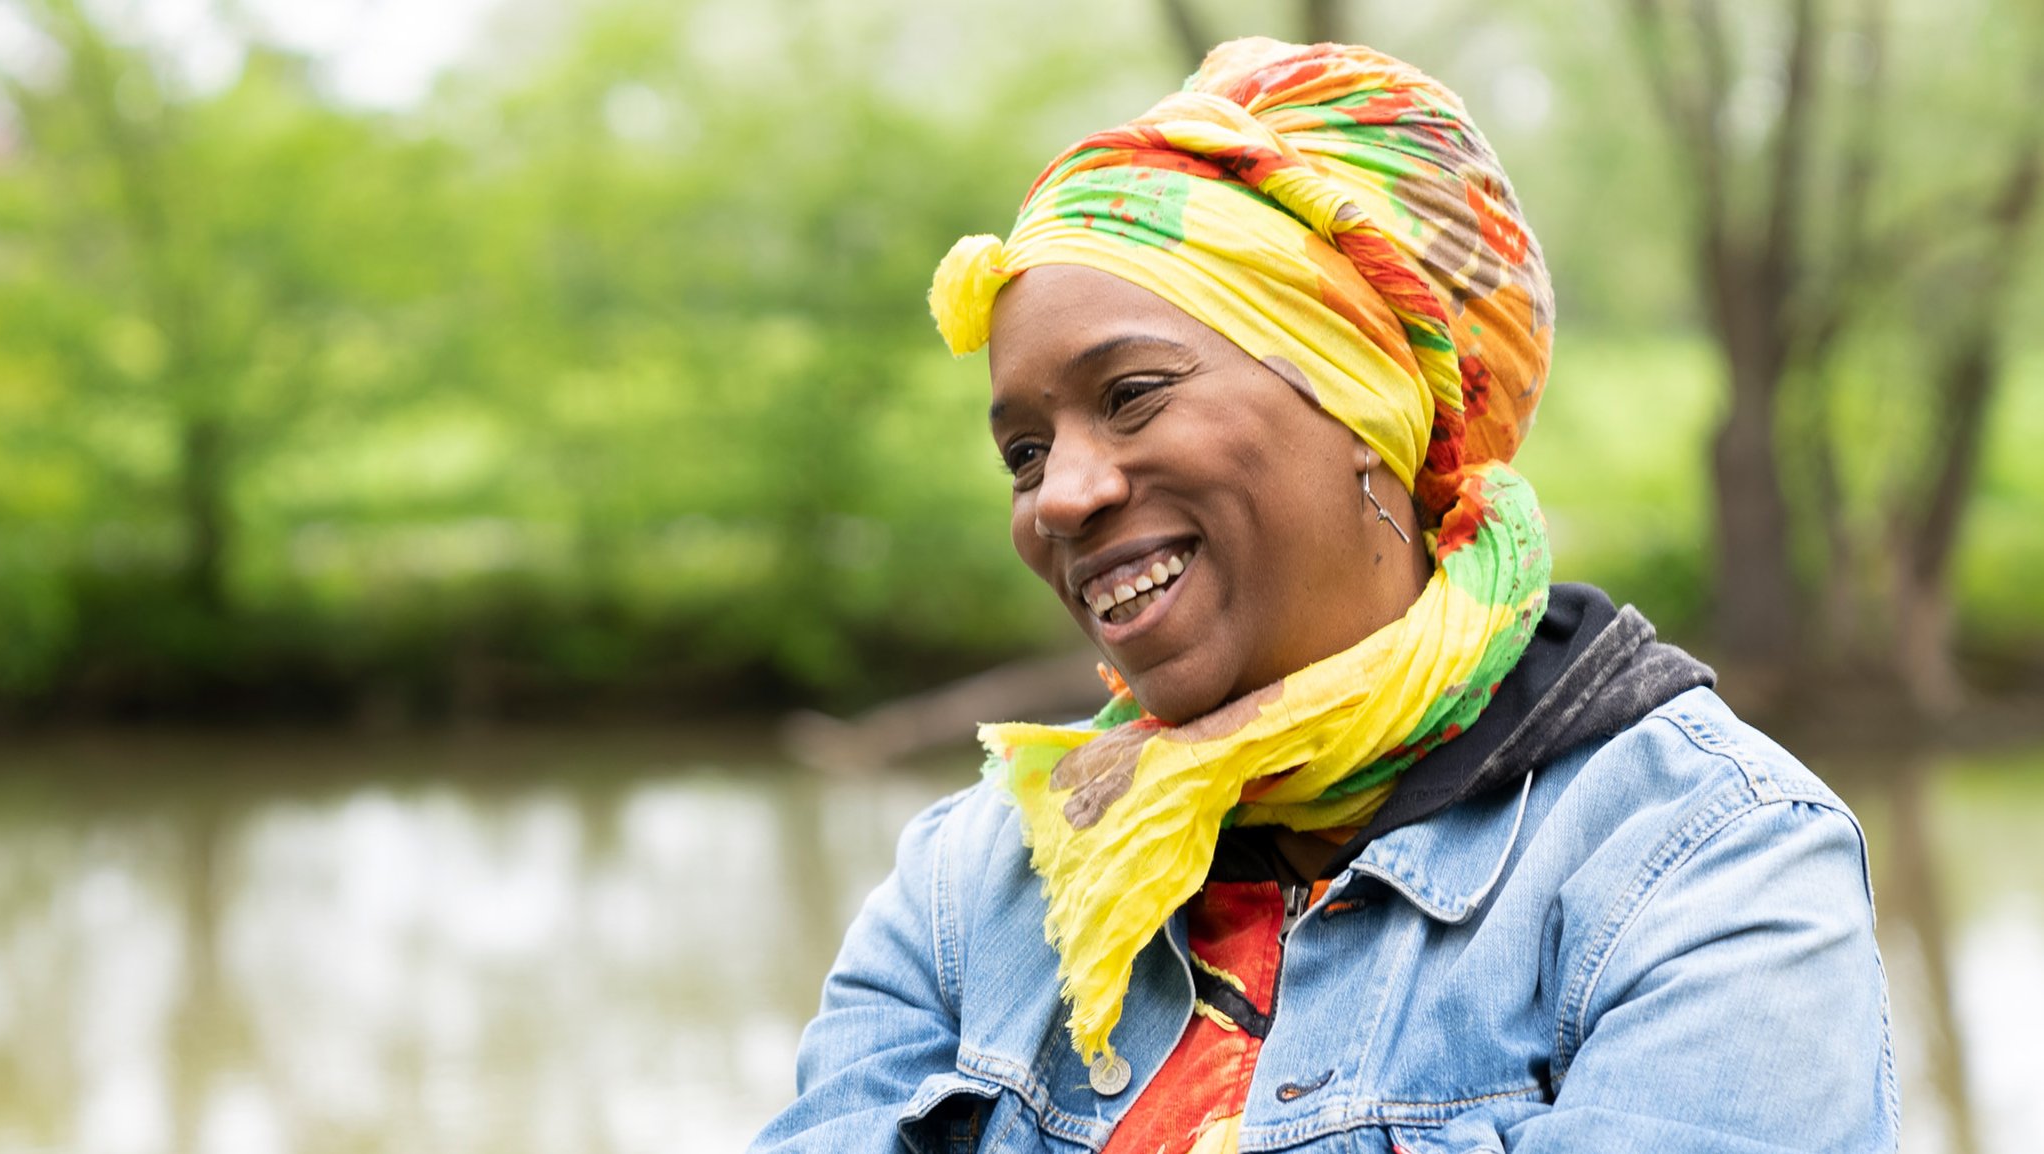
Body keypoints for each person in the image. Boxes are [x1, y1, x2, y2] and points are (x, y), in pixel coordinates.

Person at [754, 37, 1896, 1154]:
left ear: (1364, 405)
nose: (1059, 495)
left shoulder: (1702, 862)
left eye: (1133, 394)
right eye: (1022, 451)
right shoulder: (973, 886)